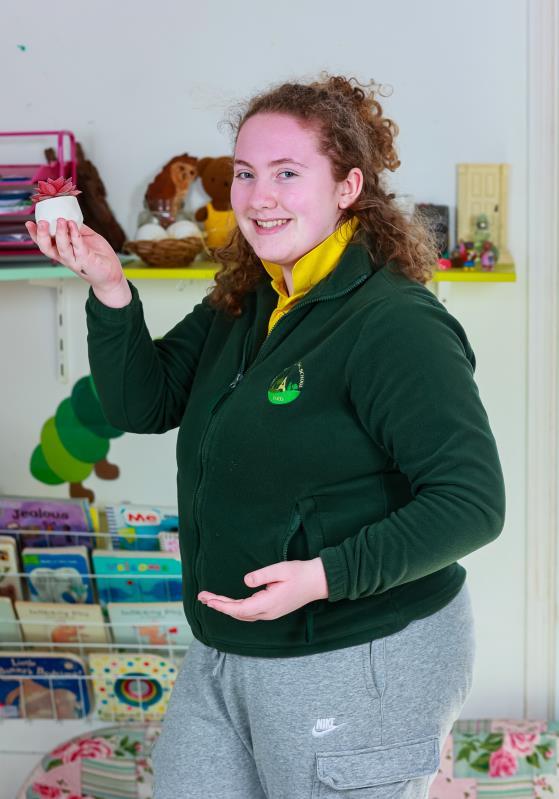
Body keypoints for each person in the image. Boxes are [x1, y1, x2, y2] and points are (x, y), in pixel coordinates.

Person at [26, 74, 505, 799]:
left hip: (357, 648)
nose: (258, 196)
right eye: (246, 174)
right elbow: (143, 403)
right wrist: (108, 286)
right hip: (230, 643)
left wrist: (320, 578)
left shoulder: (394, 324)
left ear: (347, 188)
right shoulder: (251, 299)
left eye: (287, 173)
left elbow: (472, 503)